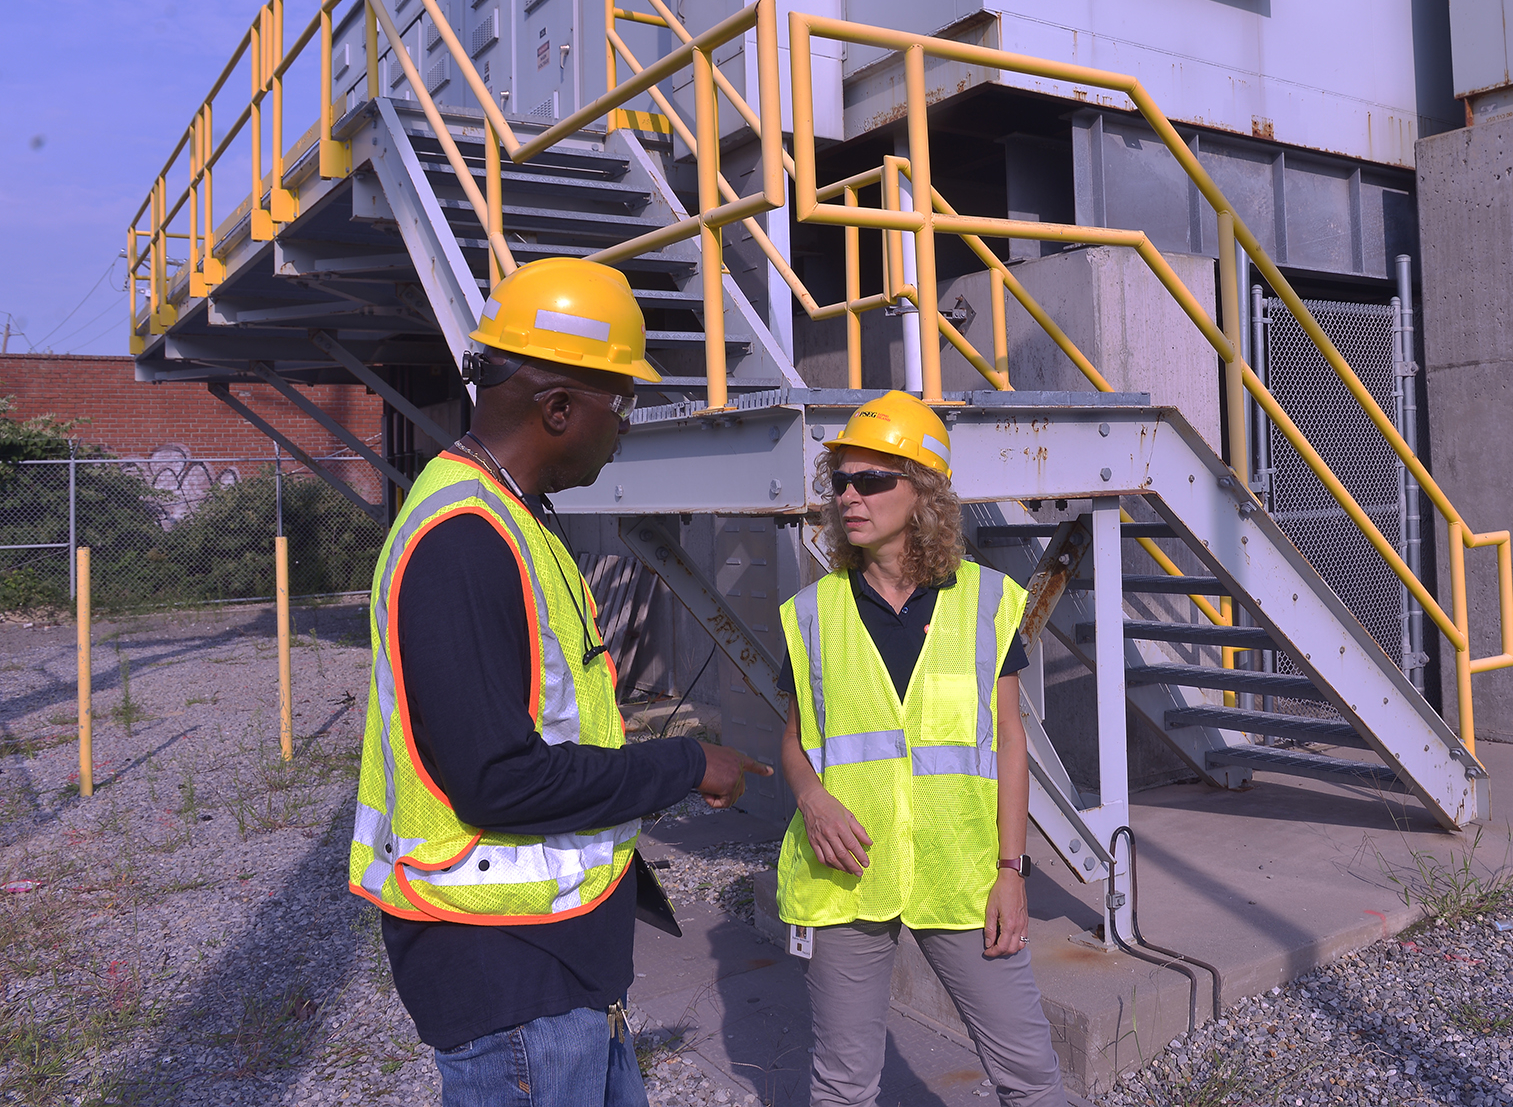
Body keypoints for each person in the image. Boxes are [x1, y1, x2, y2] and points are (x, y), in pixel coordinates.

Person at [349, 255, 771, 1106]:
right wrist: (687, 764)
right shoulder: (463, 541)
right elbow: (498, 777)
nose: (624, 428)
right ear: (557, 408)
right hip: (508, 981)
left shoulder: (513, 519)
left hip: (555, 961)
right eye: (622, 406)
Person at [776, 390, 1066, 1107]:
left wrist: (1011, 870)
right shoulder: (812, 612)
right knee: (843, 1086)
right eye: (840, 479)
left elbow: (1008, 743)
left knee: (1029, 1074)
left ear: (925, 492)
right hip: (847, 873)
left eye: (872, 480)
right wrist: (811, 797)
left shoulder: (988, 600)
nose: (849, 494)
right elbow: (793, 738)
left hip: (962, 872)